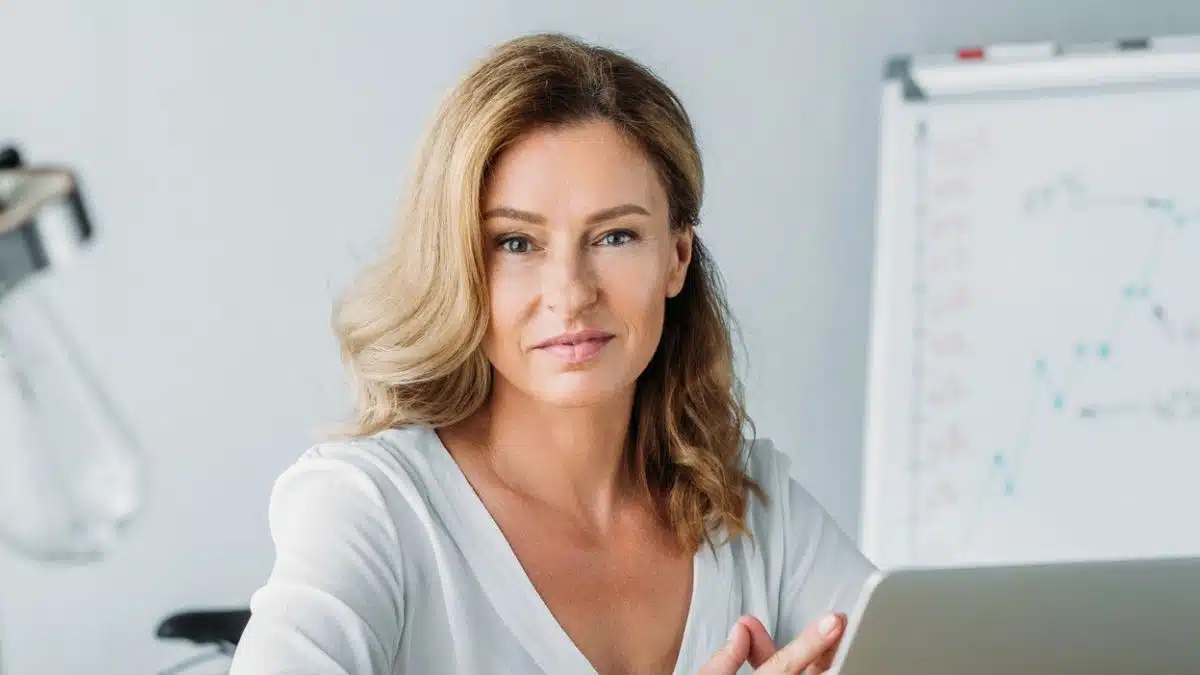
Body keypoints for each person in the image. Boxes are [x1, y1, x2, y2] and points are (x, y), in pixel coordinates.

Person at [229, 31, 876, 675]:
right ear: (459, 262)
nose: (570, 294)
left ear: (677, 255)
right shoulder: (375, 508)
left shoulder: (754, 510)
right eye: (516, 243)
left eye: (615, 235)